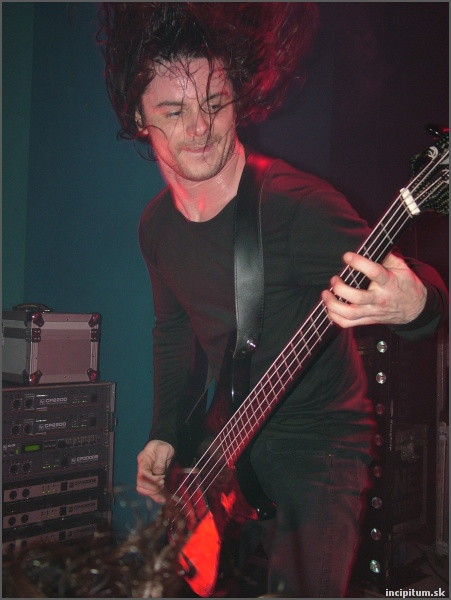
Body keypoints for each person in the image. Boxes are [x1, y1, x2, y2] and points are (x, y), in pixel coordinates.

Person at [98, 3, 448, 597]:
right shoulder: (155, 228)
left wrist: (416, 306)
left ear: (239, 97)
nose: (200, 128)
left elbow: (412, 284)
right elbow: (173, 330)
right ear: (138, 117)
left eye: (215, 103)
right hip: (228, 440)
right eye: (174, 111)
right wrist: (165, 433)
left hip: (319, 443)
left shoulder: (295, 207)